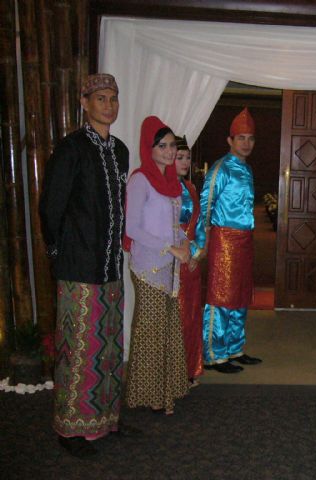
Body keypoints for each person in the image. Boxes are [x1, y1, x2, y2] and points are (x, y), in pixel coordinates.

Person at [40, 73, 133, 457]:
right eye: (100, 98)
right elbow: (51, 207)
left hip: (110, 267)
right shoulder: (71, 149)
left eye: (113, 98)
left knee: (108, 346)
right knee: (78, 349)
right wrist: (59, 254)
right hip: (78, 267)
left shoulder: (121, 151)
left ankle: (106, 419)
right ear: (85, 103)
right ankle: (70, 429)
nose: (108, 105)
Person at [124, 116, 190, 415]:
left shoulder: (172, 182)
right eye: (161, 145)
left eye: (171, 145)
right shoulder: (140, 180)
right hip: (148, 264)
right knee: (150, 330)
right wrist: (169, 247)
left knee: (166, 328)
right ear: (148, 147)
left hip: (169, 265)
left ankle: (166, 391)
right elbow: (132, 229)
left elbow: (173, 225)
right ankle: (145, 395)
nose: (167, 150)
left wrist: (184, 243)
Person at [195, 107, 261, 374]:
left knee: (241, 296)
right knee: (220, 297)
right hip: (224, 241)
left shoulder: (246, 169)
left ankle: (235, 347)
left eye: (250, 138)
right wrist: (204, 242)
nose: (246, 143)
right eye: (241, 138)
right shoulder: (221, 169)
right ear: (230, 141)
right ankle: (214, 354)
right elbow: (205, 205)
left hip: (244, 240)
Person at [175, 135, 204, 387]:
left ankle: (190, 368)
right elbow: (167, 227)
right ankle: (175, 372)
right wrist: (188, 250)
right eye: (179, 157)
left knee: (193, 314)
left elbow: (200, 223)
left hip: (192, 259)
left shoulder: (191, 187)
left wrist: (198, 252)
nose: (185, 162)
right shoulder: (164, 189)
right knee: (179, 316)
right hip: (174, 260)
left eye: (187, 157)